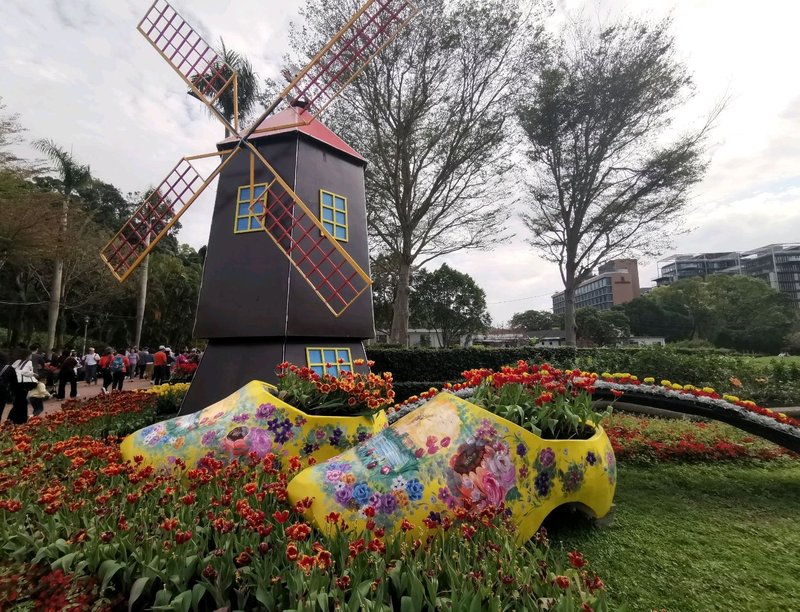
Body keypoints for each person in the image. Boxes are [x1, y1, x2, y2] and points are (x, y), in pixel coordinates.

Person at [8, 348, 36, 424]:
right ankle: (20, 419)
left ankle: (12, 418)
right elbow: (25, 372)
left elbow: (11, 369)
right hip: (23, 384)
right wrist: (33, 374)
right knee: (22, 401)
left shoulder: (17, 361)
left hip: (14, 383)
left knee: (18, 401)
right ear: (28, 355)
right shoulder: (29, 362)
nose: (31, 356)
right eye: (30, 355)